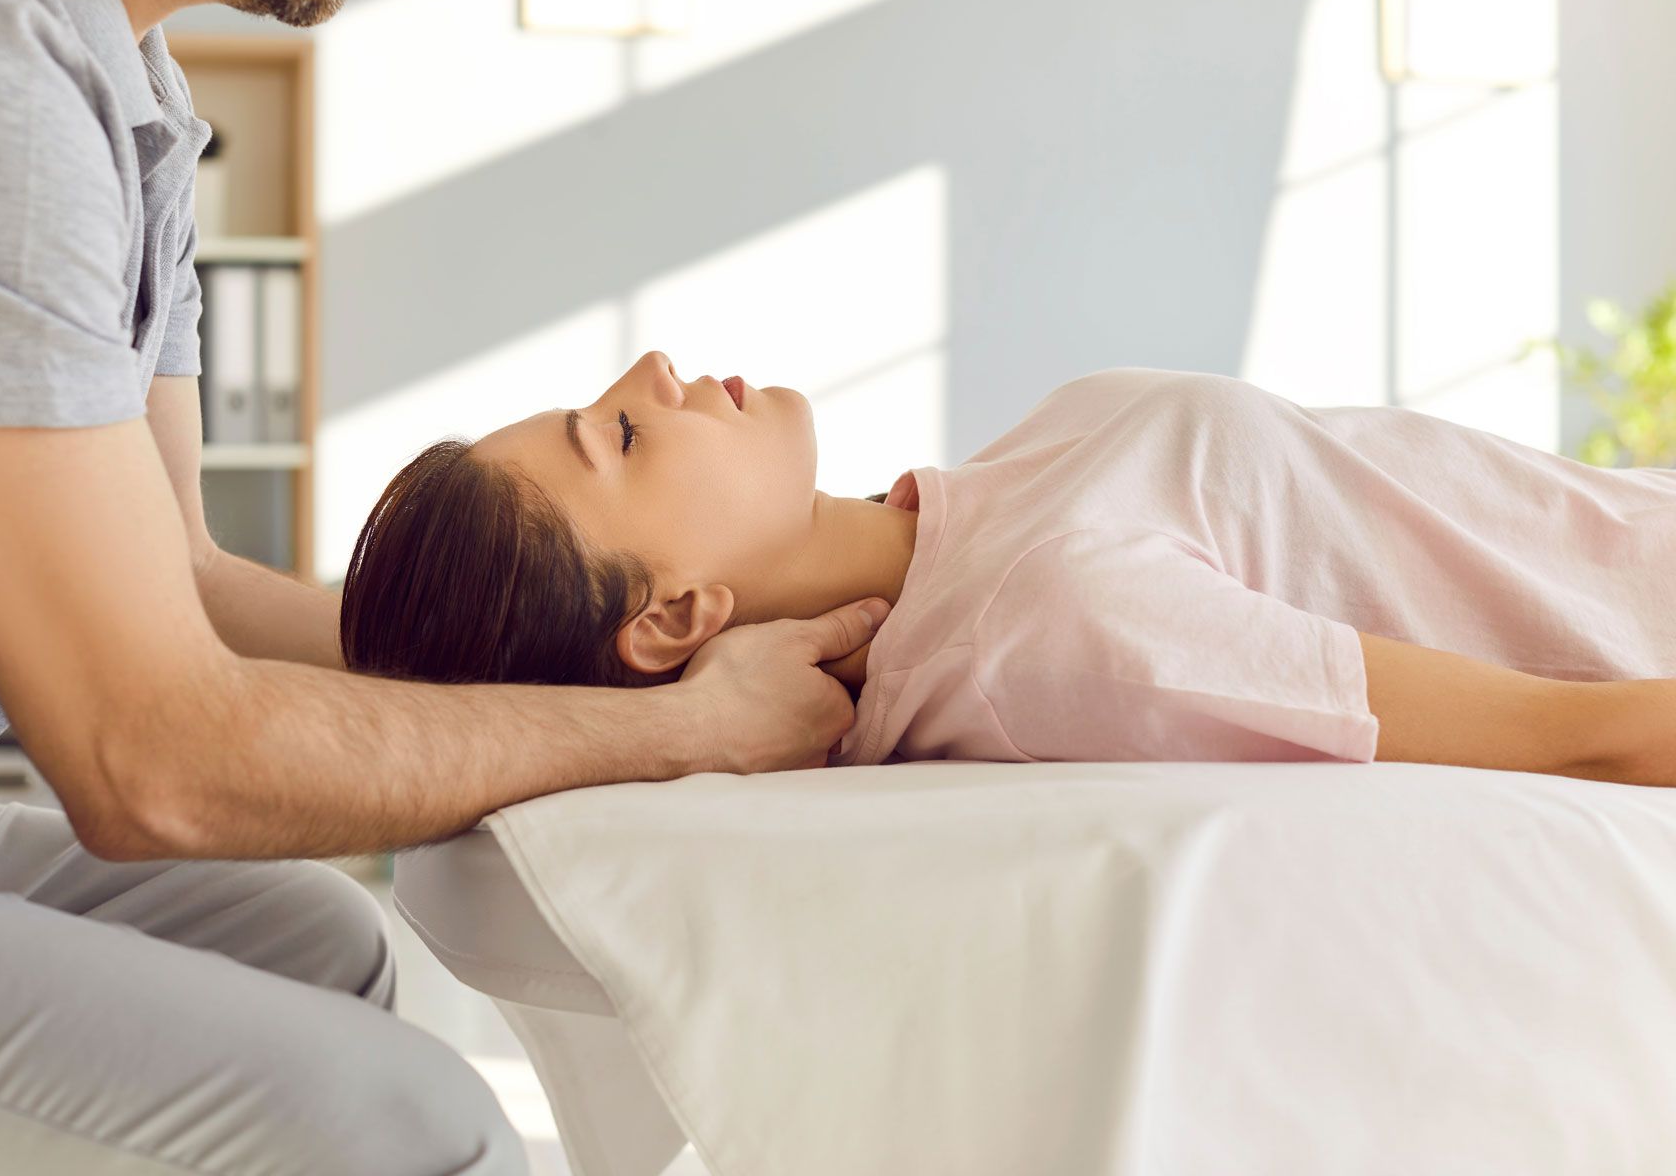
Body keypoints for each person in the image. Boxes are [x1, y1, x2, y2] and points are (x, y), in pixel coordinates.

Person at [0, 0, 883, 1171]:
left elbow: (186, 572)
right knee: (419, 1133)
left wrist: (639, 658)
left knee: (320, 942)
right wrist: (683, 731)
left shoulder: (124, 91)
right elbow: (151, 764)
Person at [341, 349, 1676, 788]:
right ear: (675, 614)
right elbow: (1581, 741)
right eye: (621, 436)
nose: (653, 369)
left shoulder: (978, 514)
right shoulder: (1049, 627)